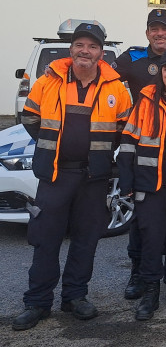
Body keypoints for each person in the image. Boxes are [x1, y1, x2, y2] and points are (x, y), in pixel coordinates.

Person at [12, 23, 131, 331]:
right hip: (55, 175)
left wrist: (99, 155)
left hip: (93, 177)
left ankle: (75, 297)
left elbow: (123, 128)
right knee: (45, 239)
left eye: (92, 47)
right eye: (80, 45)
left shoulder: (115, 87)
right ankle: (37, 303)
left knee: (86, 239)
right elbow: (30, 119)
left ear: (101, 54)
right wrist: (54, 149)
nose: (85, 51)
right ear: (71, 49)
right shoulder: (47, 82)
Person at [113, 8, 166, 301]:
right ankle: (140, 277)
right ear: (147, 32)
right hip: (148, 161)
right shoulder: (132, 58)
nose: (160, 33)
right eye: (155, 28)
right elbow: (99, 73)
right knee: (144, 228)